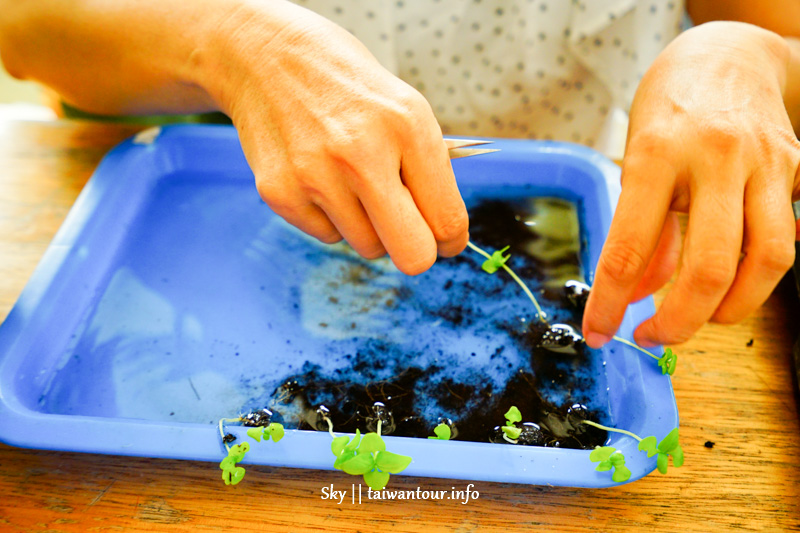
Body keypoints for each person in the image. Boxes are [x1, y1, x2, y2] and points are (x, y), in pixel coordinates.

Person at [0, 0, 798, 349]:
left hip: (592, 217)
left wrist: (744, 52)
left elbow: (782, 40)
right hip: (263, 238)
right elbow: (30, 28)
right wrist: (229, 36)